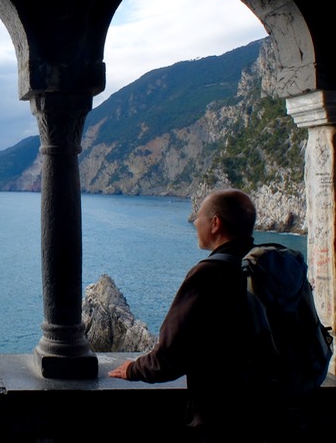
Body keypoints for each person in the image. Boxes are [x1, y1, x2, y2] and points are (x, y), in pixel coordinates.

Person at [108, 188, 272, 442]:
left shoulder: (209, 274)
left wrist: (133, 370)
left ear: (215, 224)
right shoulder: (265, 266)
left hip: (223, 417)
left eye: (199, 216)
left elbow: (170, 355)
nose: (195, 222)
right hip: (273, 408)